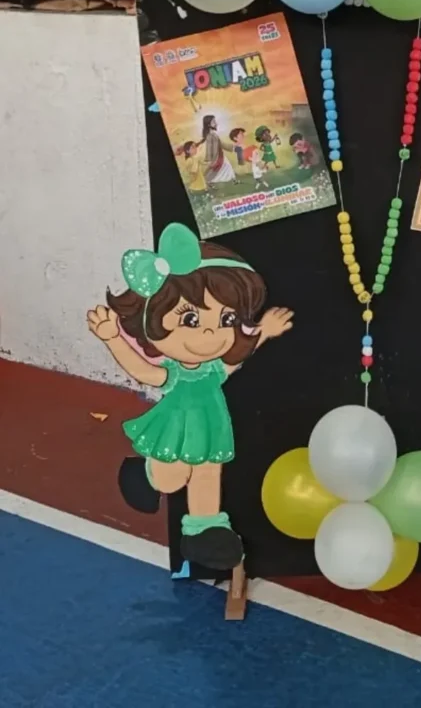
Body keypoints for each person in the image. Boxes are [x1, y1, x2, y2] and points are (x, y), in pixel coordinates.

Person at [87, 223, 293, 571]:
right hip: (177, 429)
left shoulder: (213, 369)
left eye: (227, 318)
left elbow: (235, 360)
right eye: (192, 319)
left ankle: (204, 530)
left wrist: (264, 332)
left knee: (209, 474)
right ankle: (146, 475)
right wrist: (112, 338)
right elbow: (144, 372)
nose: (212, 332)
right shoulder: (176, 372)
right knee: (174, 476)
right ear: (153, 323)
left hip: (212, 427)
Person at [201, 115, 235, 184]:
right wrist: (210, 159)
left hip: (220, 155)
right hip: (217, 157)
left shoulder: (213, 134)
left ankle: (231, 179)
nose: (216, 123)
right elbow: (209, 148)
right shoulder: (210, 135)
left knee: (226, 167)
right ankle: (208, 180)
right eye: (213, 122)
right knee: (221, 168)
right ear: (208, 124)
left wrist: (232, 147)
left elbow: (221, 144)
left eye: (215, 121)